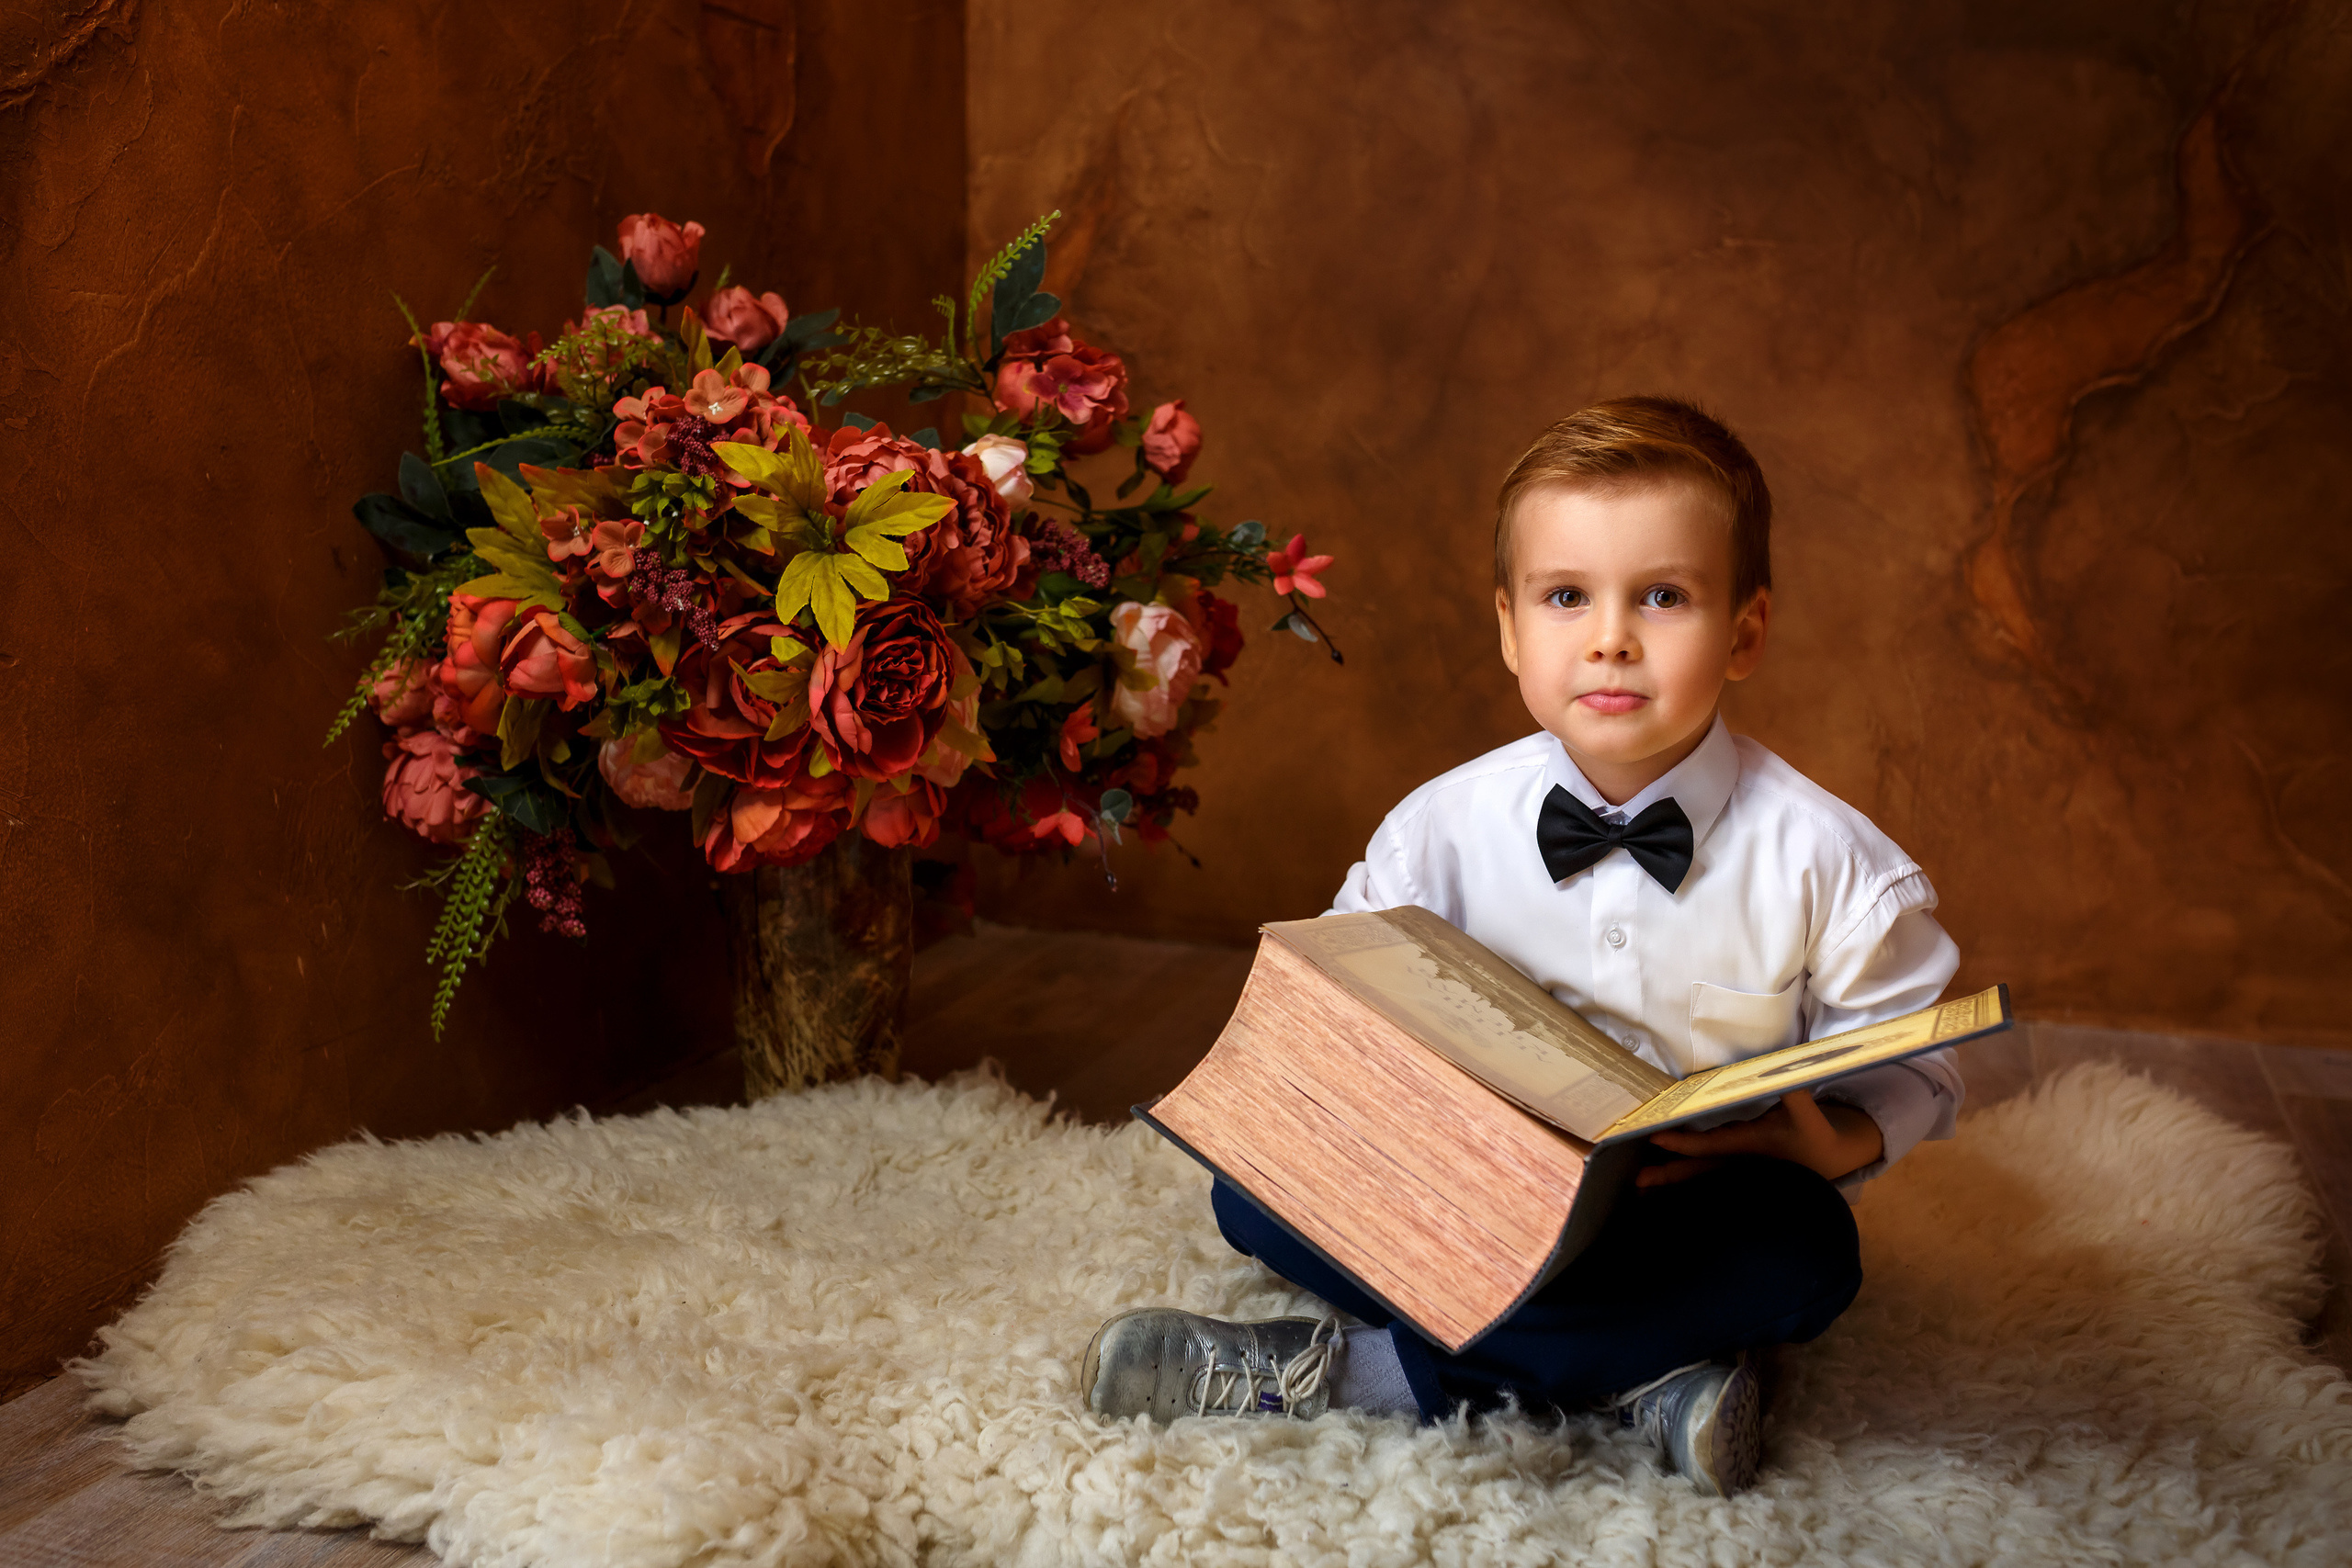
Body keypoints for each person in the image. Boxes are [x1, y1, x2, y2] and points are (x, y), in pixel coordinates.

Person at [1077, 396, 1964, 1495]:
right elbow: (1341, 1004)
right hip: (1465, 1185)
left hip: (1685, 1205)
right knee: (1246, 1195)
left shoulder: (1832, 862)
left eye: (1663, 596)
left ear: (1744, 632)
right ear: (1508, 629)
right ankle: (1651, 1375)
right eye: (1564, 596)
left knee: (1807, 1257)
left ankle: (1354, 1374)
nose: (1610, 637)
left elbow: (1916, 1064)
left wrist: (1830, 1149)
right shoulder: (1437, 830)